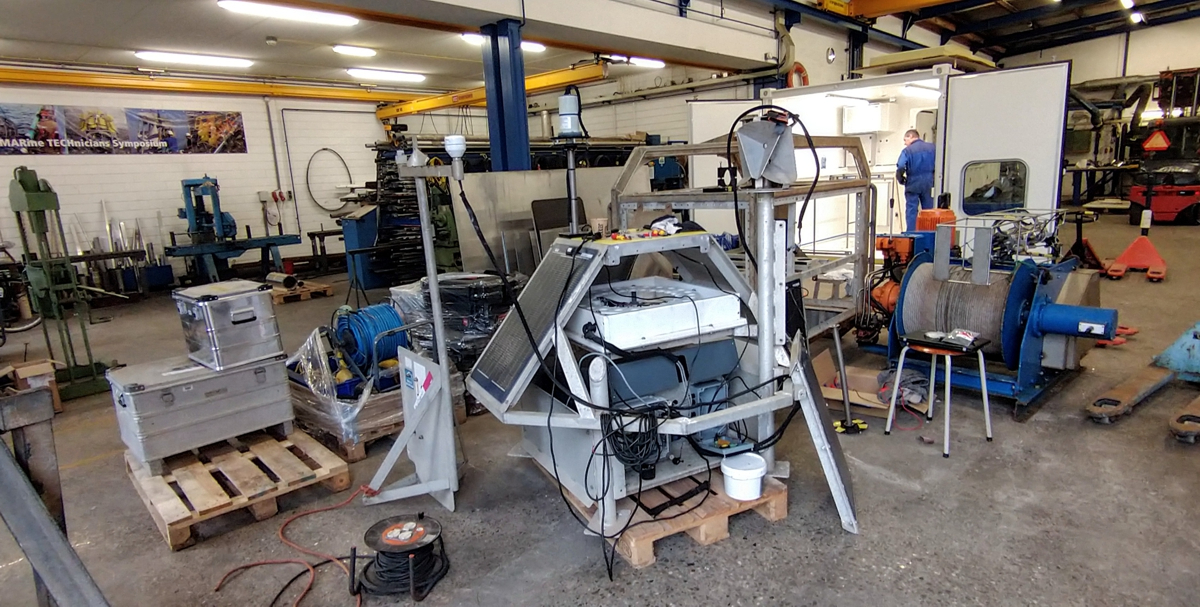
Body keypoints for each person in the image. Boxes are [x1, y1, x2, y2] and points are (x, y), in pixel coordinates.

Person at [896, 129, 936, 230]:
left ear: (910, 137)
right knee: (929, 210)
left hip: (913, 182)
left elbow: (900, 166)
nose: (905, 143)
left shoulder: (907, 151)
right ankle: (929, 233)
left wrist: (901, 178)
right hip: (929, 181)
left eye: (905, 140)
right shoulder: (933, 147)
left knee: (911, 210)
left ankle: (911, 234)